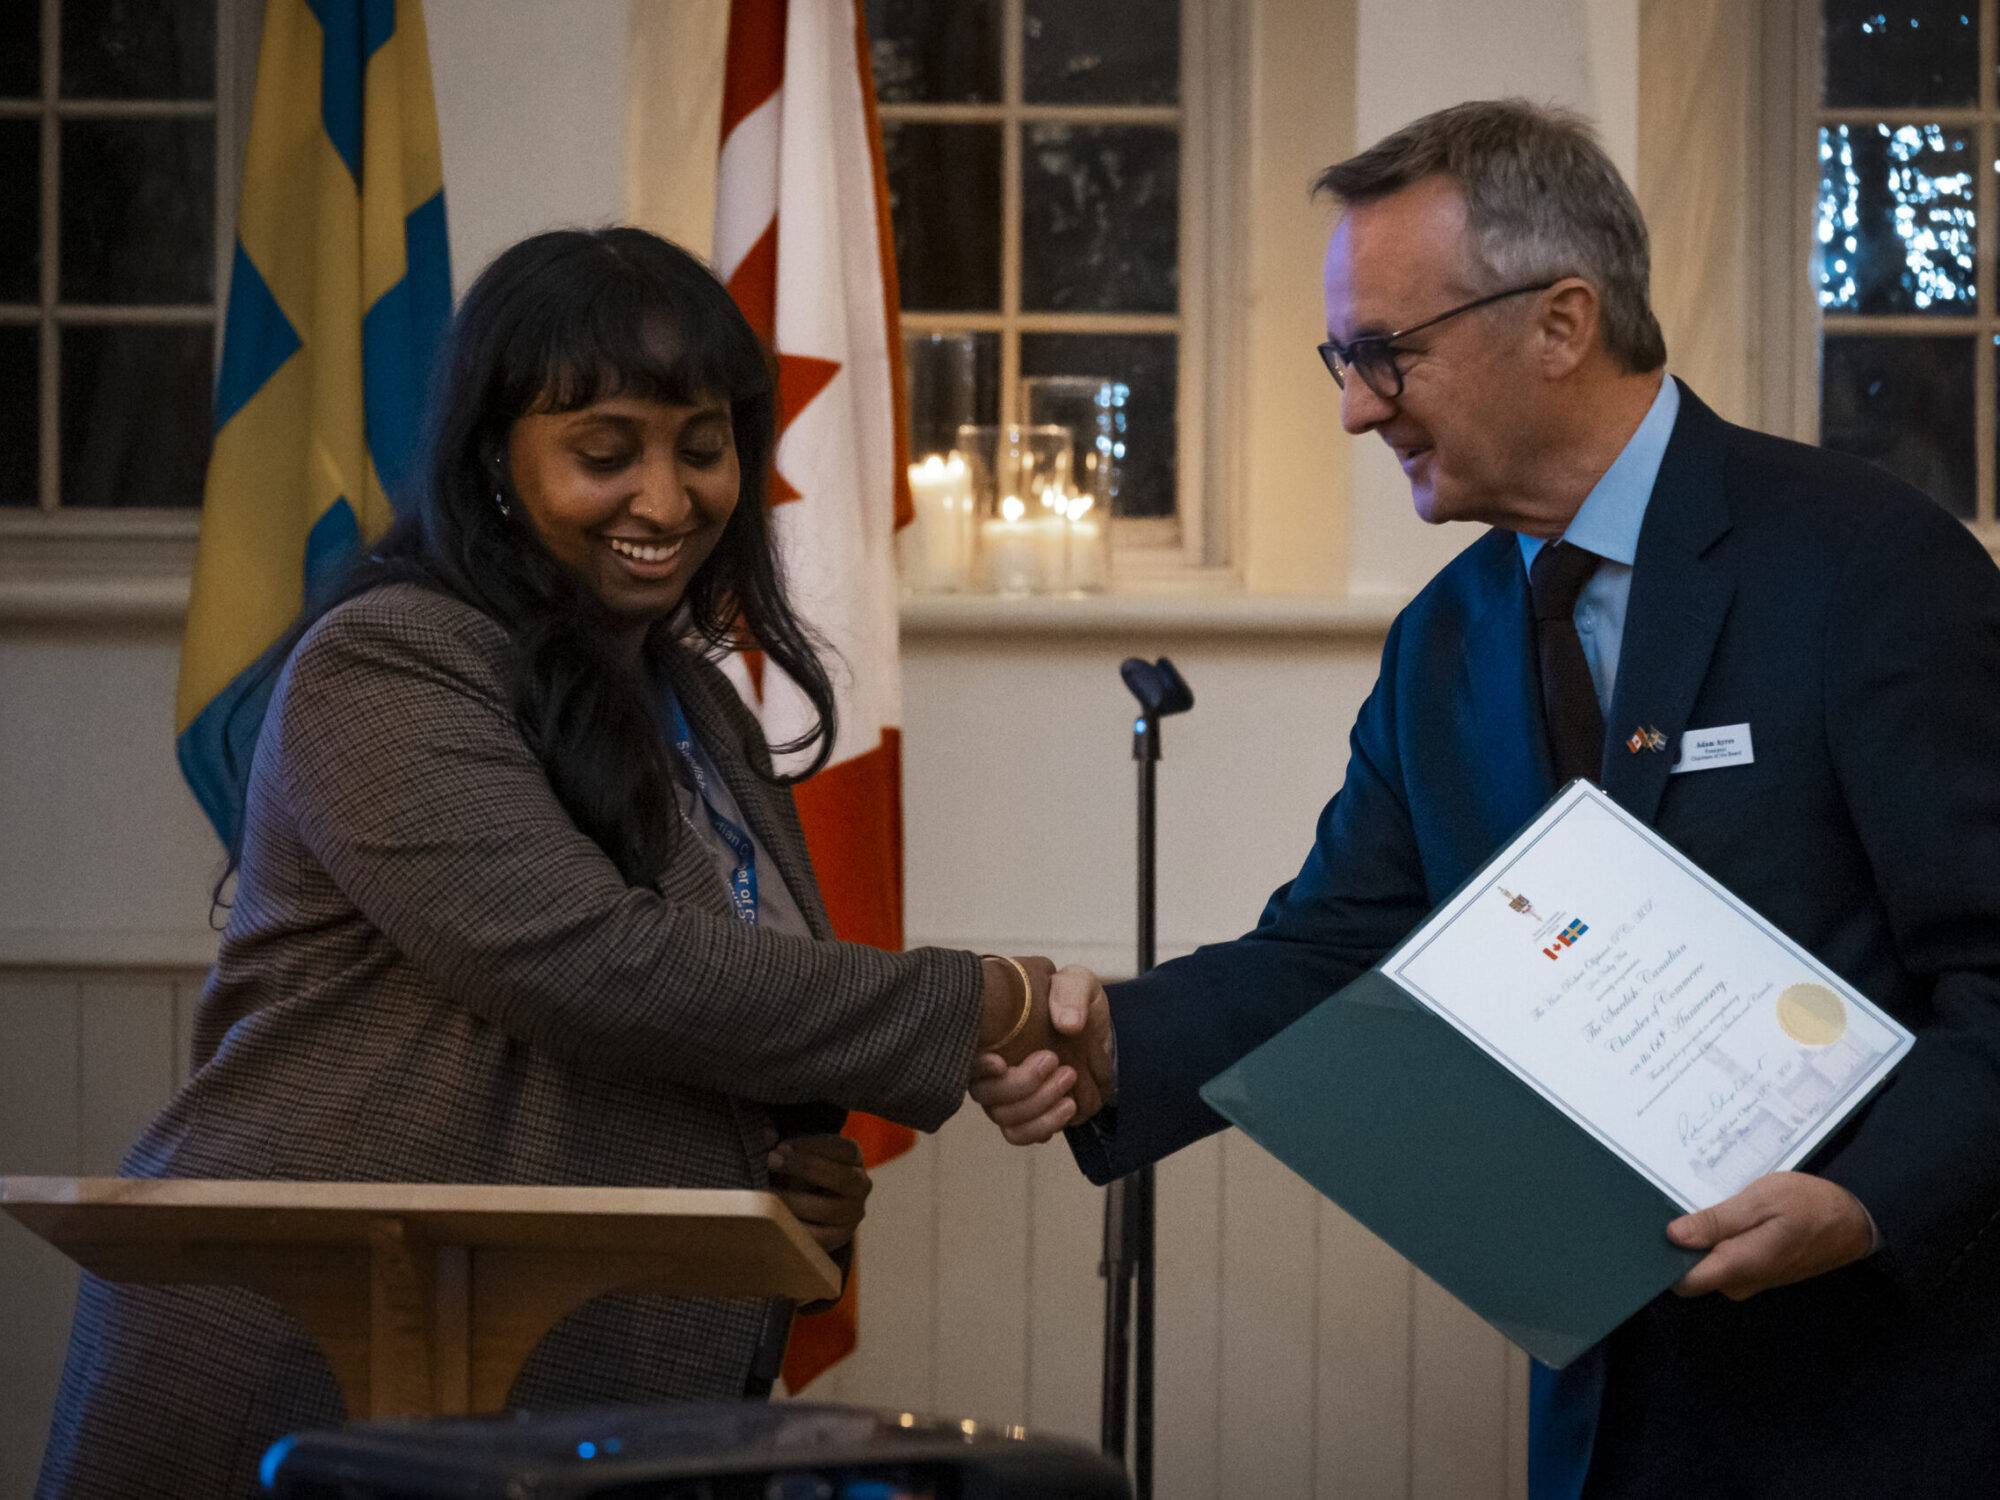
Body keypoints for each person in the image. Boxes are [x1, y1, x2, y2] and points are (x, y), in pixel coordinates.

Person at [974, 100, 2000, 1499]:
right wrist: (1112, 1042)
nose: (1355, 407)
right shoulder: (1443, 641)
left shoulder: (1865, 567)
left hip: (1876, 1410)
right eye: (1342, 360)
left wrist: (1863, 1202)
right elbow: (1340, 946)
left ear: (1561, 323)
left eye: (1385, 353)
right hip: (1603, 1423)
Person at [37, 228, 1101, 1500]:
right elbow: (593, 964)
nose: (666, 499)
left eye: (701, 447)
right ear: (493, 458)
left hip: (561, 1392)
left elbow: (712, 1017)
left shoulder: (698, 707)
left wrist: (779, 1194)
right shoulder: (388, 662)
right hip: (308, 1366)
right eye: (605, 453)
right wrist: (988, 1001)